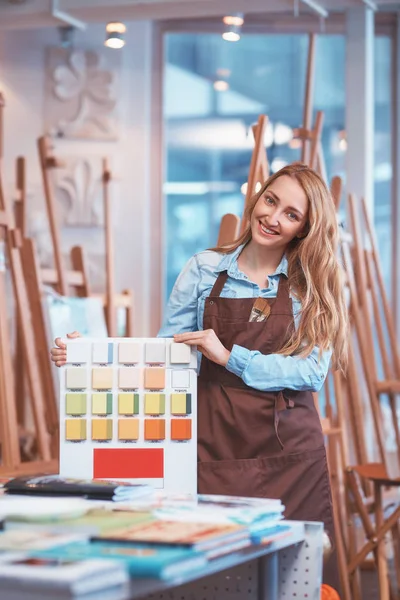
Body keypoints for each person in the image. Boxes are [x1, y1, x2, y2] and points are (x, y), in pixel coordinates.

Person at [51, 163, 348, 590]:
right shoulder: (204, 269)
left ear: (303, 228)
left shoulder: (308, 283)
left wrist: (229, 357)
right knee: (216, 577)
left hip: (290, 454)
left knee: (294, 582)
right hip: (214, 445)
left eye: (291, 214)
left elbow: (311, 371)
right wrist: (90, 355)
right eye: (270, 200)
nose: (273, 217)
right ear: (257, 197)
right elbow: (165, 355)